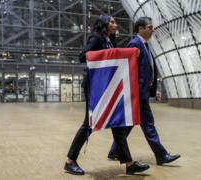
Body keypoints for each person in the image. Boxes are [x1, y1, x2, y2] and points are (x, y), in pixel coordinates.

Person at [64, 14, 150, 175]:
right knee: (88, 124)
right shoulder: (97, 38)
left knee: (117, 123)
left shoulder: (110, 41)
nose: (115, 24)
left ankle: (129, 164)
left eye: (114, 21)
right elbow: (83, 56)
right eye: (111, 21)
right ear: (103, 23)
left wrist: (129, 53)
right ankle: (70, 161)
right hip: (95, 87)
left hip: (107, 87)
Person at [107, 17, 181, 165]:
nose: (152, 29)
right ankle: (161, 155)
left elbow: (148, 70)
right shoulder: (135, 43)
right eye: (149, 27)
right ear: (140, 29)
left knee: (130, 124)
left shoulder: (144, 45)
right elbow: (129, 69)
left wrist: (152, 88)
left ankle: (115, 150)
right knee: (148, 125)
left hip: (141, 92)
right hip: (138, 93)